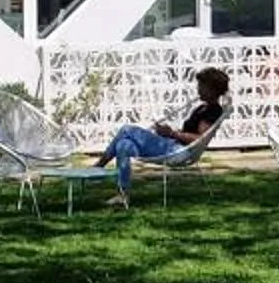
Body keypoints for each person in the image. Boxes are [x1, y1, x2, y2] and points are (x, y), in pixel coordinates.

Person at [90, 66, 230, 208]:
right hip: (173, 146)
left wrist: (171, 133)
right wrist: (168, 133)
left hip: (179, 152)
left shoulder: (212, 111)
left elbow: (198, 138)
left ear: (213, 90)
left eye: (202, 86)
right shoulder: (202, 108)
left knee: (127, 129)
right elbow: (188, 133)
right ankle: (122, 195)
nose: (198, 89)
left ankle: (99, 167)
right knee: (123, 145)